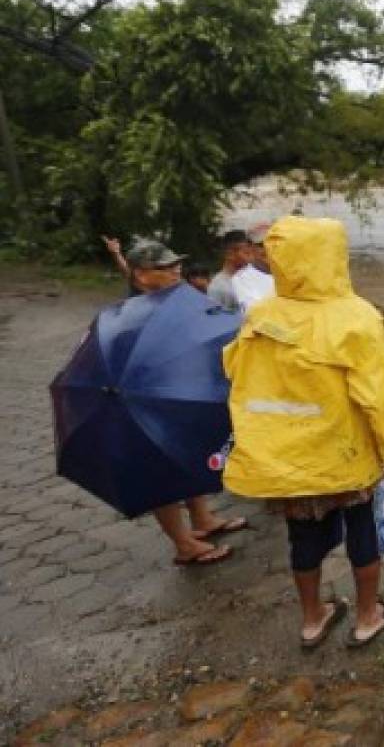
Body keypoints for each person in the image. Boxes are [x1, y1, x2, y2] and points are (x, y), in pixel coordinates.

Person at [223, 217, 384, 649]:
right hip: (346, 453)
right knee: (362, 531)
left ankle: (312, 619)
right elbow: (376, 393)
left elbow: (235, 371)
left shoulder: (262, 314)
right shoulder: (356, 316)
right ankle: (367, 616)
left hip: (285, 455)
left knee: (302, 536)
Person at [124, 239, 247, 565]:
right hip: (152, 402)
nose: (175, 269)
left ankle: (202, 519)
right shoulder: (133, 315)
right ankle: (183, 544)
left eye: (175, 263)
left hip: (185, 394)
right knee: (161, 473)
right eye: (164, 267)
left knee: (190, 456)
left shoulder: (178, 300)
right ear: (140, 276)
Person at [206, 230, 254, 311]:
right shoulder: (217, 287)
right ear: (230, 254)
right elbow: (214, 318)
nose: (250, 257)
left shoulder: (252, 278)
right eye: (246, 252)